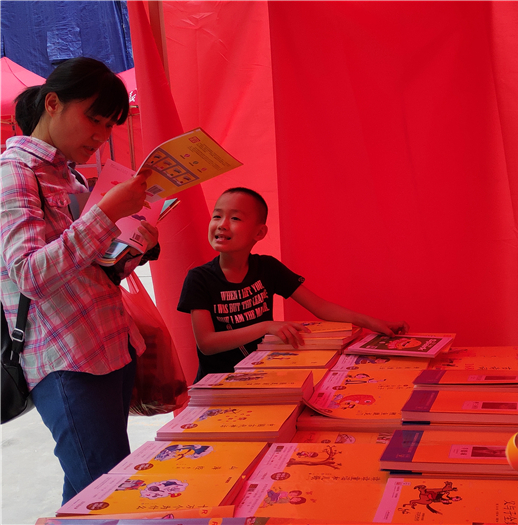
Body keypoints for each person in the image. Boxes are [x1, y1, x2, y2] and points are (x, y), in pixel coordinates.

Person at [0, 57, 159, 504]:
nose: (101, 135)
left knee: (90, 488)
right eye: (94, 118)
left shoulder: (67, 173)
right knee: (108, 494)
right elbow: (30, 274)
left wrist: (131, 246)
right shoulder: (15, 173)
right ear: (53, 103)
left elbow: (87, 265)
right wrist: (107, 213)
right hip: (66, 358)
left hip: (109, 345)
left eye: (110, 125)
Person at [178, 187, 409, 382]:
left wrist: (372, 322)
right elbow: (207, 343)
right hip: (216, 387)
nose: (222, 225)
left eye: (235, 218)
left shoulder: (268, 267)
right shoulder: (198, 278)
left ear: (259, 232)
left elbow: (320, 307)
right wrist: (265, 326)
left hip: (260, 376)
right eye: (217, 216)